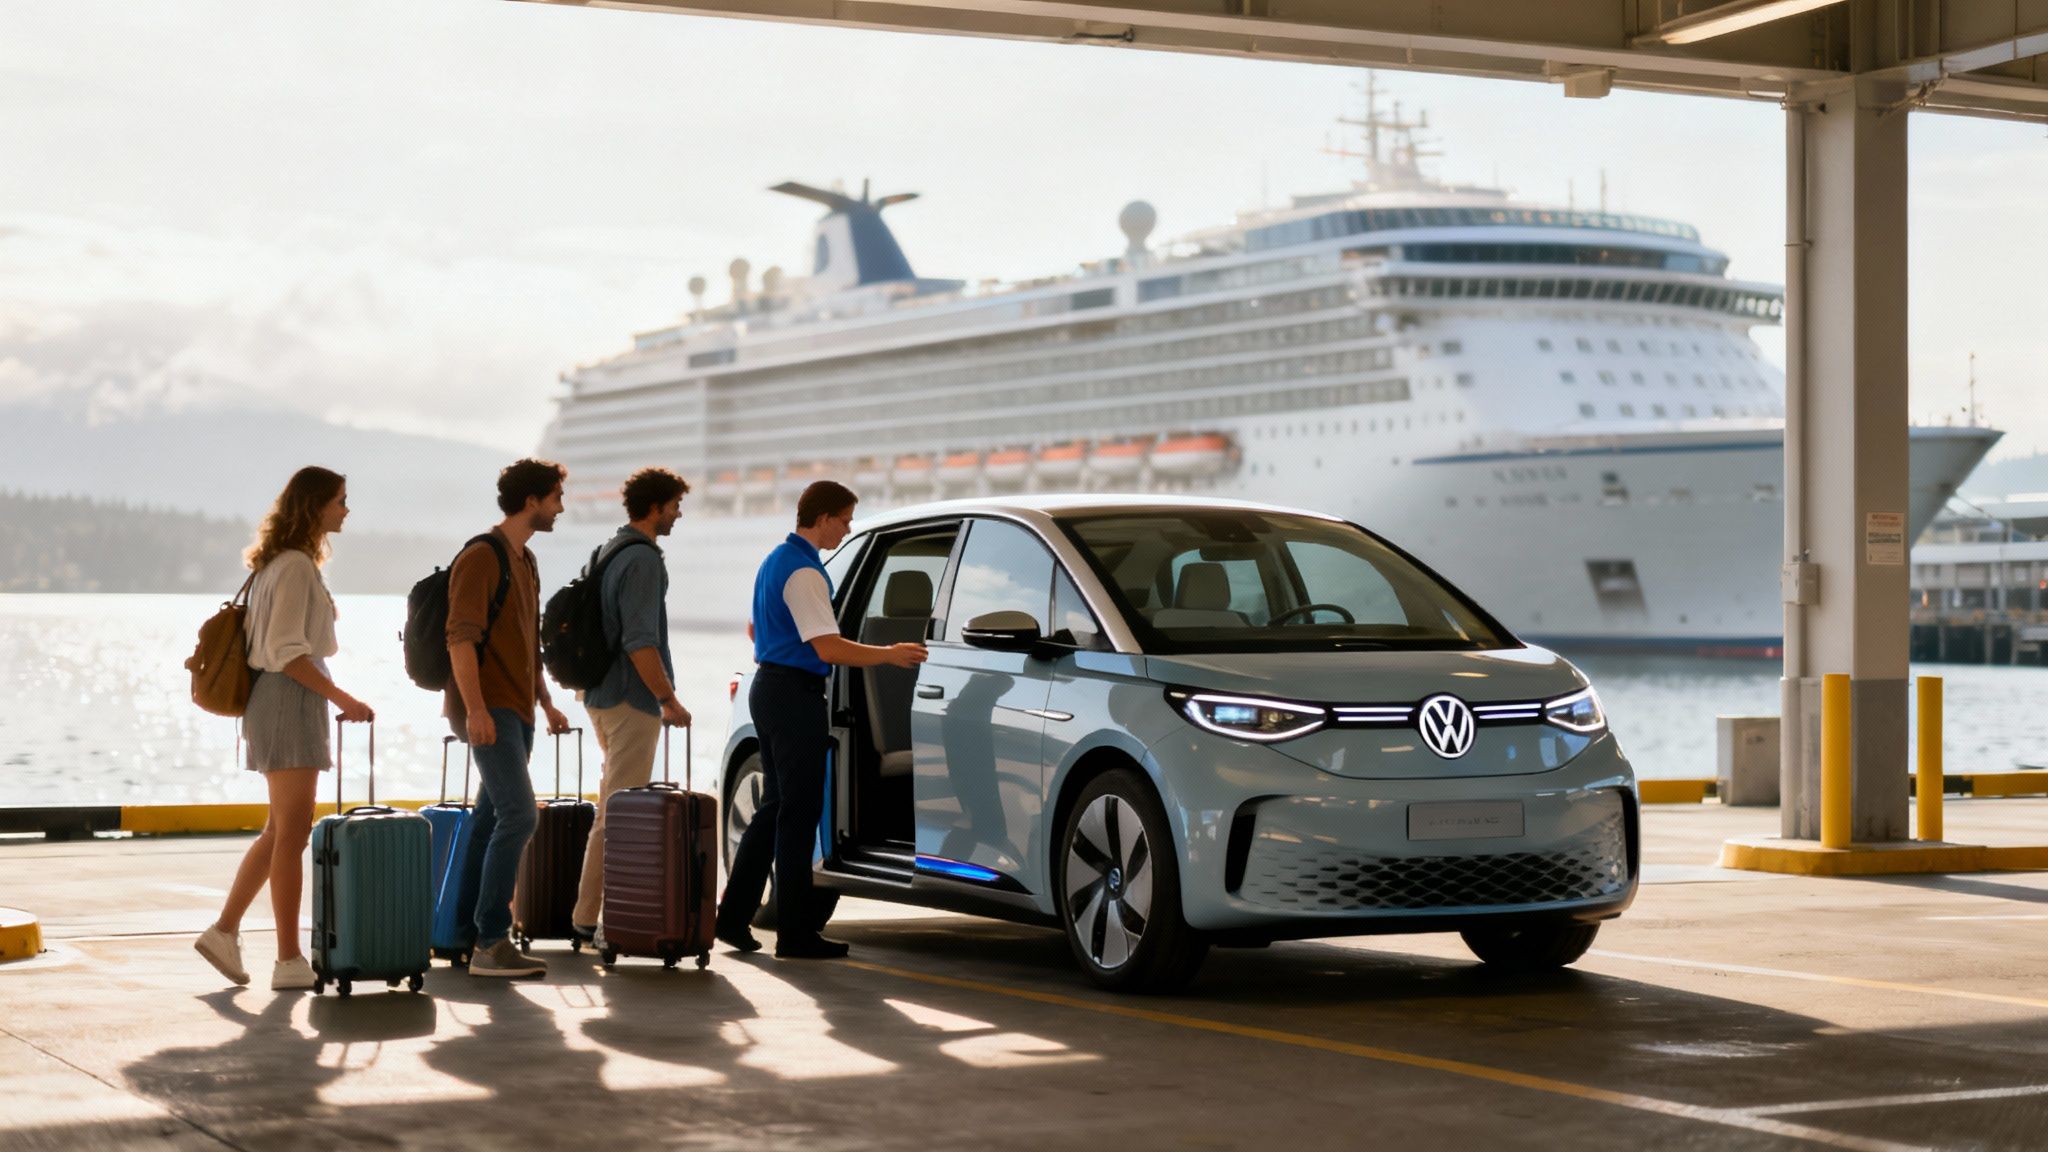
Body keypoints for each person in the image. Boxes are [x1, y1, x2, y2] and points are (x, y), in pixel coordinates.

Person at [715, 480, 927, 960]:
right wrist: (889, 654)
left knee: (774, 808)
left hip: (768, 687)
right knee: (799, 814)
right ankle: (795, 933)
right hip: (794, 693)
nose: (847, 528)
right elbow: (826, 647)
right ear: (824, 517)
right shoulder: (805, 572)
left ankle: (732, 918)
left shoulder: (775, 560)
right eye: (845, 519)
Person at [195, 466, 375, 991]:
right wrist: (345, 698)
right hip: (287, 699)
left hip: (285, 699)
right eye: (341, 500)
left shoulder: (280, 563)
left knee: (281, 829)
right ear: (316, 506)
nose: (346, 509)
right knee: (292, 832)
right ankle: (289, 959)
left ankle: (224, 932)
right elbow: (289, 654)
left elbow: (296, 651)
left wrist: (332, 693)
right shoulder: (295, 566)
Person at [446, 458, 573, 978]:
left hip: (518, 709)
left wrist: (545, 702)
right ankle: (491, 941)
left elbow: (526, 643)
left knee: (488, 822)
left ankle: (460, 934)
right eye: (556, 498)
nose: (561, 507)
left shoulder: (527, 561)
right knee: (521, 816)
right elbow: (460, 639)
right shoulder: (481, 556)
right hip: (489, 709)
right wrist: (475, 710)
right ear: (531, 502)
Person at [571, 466, 693, 940]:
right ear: (656, 506)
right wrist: (669, 700)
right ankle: (592, 919)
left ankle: (589, 914)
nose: (678, 515)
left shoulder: (609, 549)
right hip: (631, 699)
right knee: (619, 815)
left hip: (600, 694)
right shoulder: (643, 559)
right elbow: (640, 642)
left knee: (611, 807)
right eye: (675, 506)